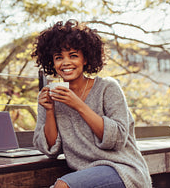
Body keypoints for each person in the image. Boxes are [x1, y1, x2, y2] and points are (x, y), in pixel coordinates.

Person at [32, 20, 151, 188]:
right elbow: (50, 149)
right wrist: (50, 110)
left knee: (62, 186)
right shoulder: (50, 96)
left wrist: (78, 105)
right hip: (85, 174)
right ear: (52, 62)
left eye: (73, 55)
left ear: (85, 59)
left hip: (123, 170)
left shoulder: (108, 87)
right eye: (59, 58)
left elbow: (117, 139)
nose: (65, 63)